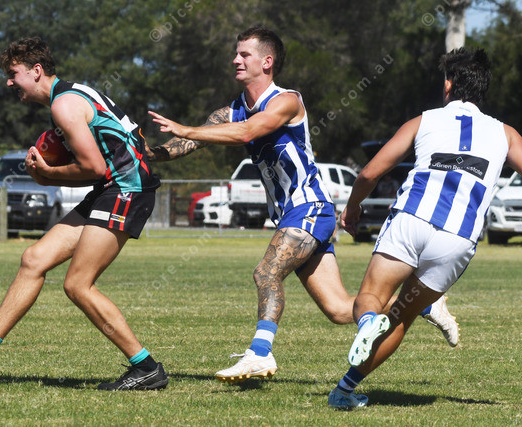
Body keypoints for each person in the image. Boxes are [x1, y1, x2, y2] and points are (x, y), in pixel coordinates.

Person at [147, 25, 458, 383]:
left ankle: (259, 354)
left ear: (267, 62)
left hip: (309, 207)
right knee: (340, 310)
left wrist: (186, 128)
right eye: (236, 53)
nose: (235, 60)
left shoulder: (287, 101)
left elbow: (247, 132)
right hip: (291, 216)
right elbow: (193, 142)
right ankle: (424, 302)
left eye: (244, 54)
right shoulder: (233, 110)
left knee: (266, 272)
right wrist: (148, 155)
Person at [0, 37, 168, 391]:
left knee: (77, 284)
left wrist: (46, 175)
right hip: (114, 187)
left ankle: (146, 367)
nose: (9, 82)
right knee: (34, 259)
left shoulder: (64, 105)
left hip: (126, 189)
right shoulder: (71, 95)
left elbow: (94, 166)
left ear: (36, 71)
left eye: (13, 73)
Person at [328, 47, 522, 409]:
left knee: (371, 298)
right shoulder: (506, 134)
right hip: (458, 239)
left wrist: (352, 209)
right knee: (401, 316)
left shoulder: (423, 120)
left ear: (448, 85)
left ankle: (368, 322)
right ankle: (344, 391)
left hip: (411, 220)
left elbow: (370, 173)